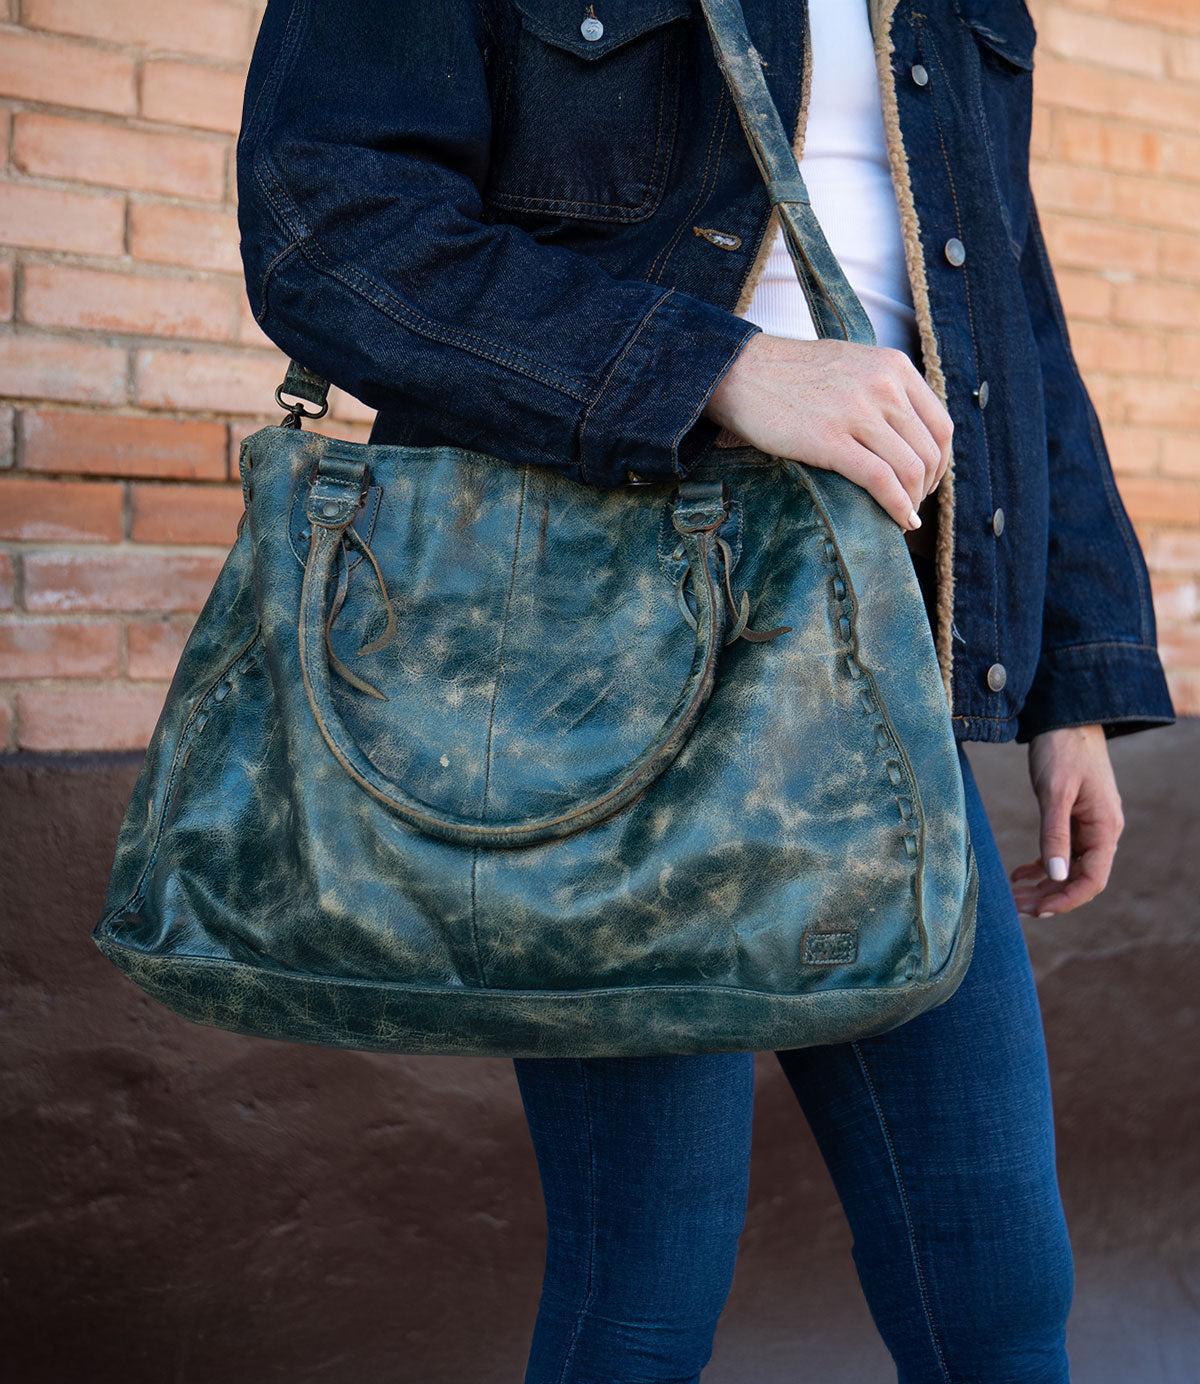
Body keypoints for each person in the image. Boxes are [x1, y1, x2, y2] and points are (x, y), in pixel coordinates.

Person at [236, 0, 1177, 1378]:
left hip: (873, 654)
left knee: (999, 1269)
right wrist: (718, 370)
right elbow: (328, 225)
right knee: (649, 1283)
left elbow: (1015, 325)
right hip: (589, 659)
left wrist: (1072, 681)